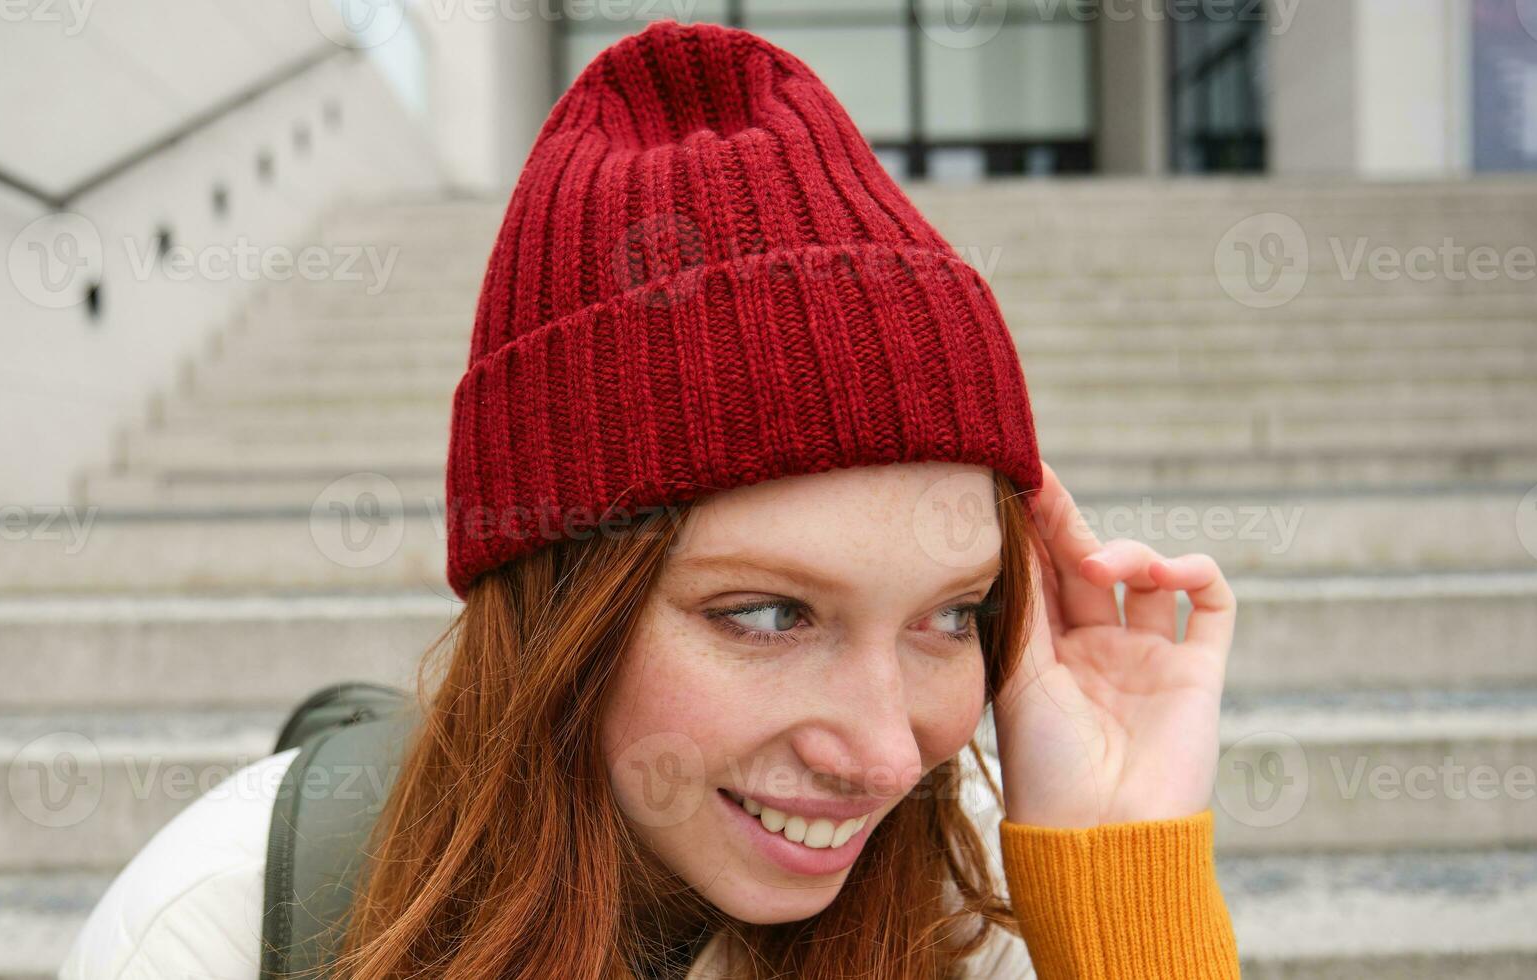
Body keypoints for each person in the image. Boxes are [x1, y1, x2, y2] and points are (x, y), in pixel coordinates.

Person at [62, 20, 1238, 980]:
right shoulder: (217, 925)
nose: (885, 753)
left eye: (947, 615)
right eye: (768, 613)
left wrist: (1118, 880)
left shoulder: (976, 920)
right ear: (556, 609)